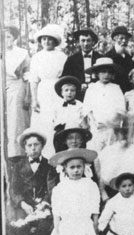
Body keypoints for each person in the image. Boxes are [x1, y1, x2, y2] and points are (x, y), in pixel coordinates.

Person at [45, 148, 102, 235]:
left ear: (84, 168)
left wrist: (95, 223)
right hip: (68, 225)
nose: (76, 170)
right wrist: (57, 228)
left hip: (84, 224)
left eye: (79, 167)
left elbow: (95, 206)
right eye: (72, 167)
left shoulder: (90, 184)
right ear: (65, 169)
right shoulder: (60, 188)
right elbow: (57, 210)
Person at [9, 128, 53, 235]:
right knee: (19, 228)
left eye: (36, 145)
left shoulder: (49, 165)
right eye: (29, 145)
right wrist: (22, 203)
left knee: (42, 229)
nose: (33, 148)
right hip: (24, 206)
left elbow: (52, 188)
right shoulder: (19, 166)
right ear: (25, 147)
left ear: (42, 146)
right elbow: (14, 189)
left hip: (43, 207)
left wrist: (45, 202)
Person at [30, 24, 67, 158]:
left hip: (58, 90)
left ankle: (57, 157)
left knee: (57, 122)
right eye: (44, 39)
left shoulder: (62, 56)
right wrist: (34, 99)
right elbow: (33, 80)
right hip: (43, 91)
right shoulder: (36, 57)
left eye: (50, 39)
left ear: (55, 41)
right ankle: (43, 158)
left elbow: (65, 76)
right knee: (43, 124)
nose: (46, 42)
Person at [95, 115, 134, 202]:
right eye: (120, 132)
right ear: (115, 133)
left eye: (127, 132)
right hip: (112, 193)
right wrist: (105, 197)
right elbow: (101, 179)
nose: (124, 136)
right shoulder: (106, 152)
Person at [83, 57, 126, 152]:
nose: (106, 75)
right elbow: (87, 109)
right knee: (96, 150)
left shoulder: (116, 88)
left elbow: (120, 110)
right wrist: (94, 122)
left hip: (111, 127)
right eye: (103, 72)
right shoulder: (92, 88)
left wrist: (108, 123)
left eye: (109, 72)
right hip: (96, 127)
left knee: (111, 151)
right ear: (97, 73)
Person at [4, 26, 30, 158]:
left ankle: (16, 155)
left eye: (8, 36)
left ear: (14, 38)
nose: (5, 39)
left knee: (16, 122)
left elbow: (28, 75)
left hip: (17, 88)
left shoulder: (21, 53)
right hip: (3, 88)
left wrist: (28, 95)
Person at [61, 28, 102, 101]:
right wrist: (79, 85)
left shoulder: (100, 58)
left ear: (93, 42)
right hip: (77, 94)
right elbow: (66, 78)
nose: (86, 44)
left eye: (88, 40)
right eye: (83, 41)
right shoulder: (71, 60)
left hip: (97, 93)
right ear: (78, 42)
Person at [106, 26, 134, 92]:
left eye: (126, 38)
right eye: (121, 38)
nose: (124, 41)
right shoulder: (108, 56)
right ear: (114, 39)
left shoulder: (128, 57)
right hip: (113, 92)